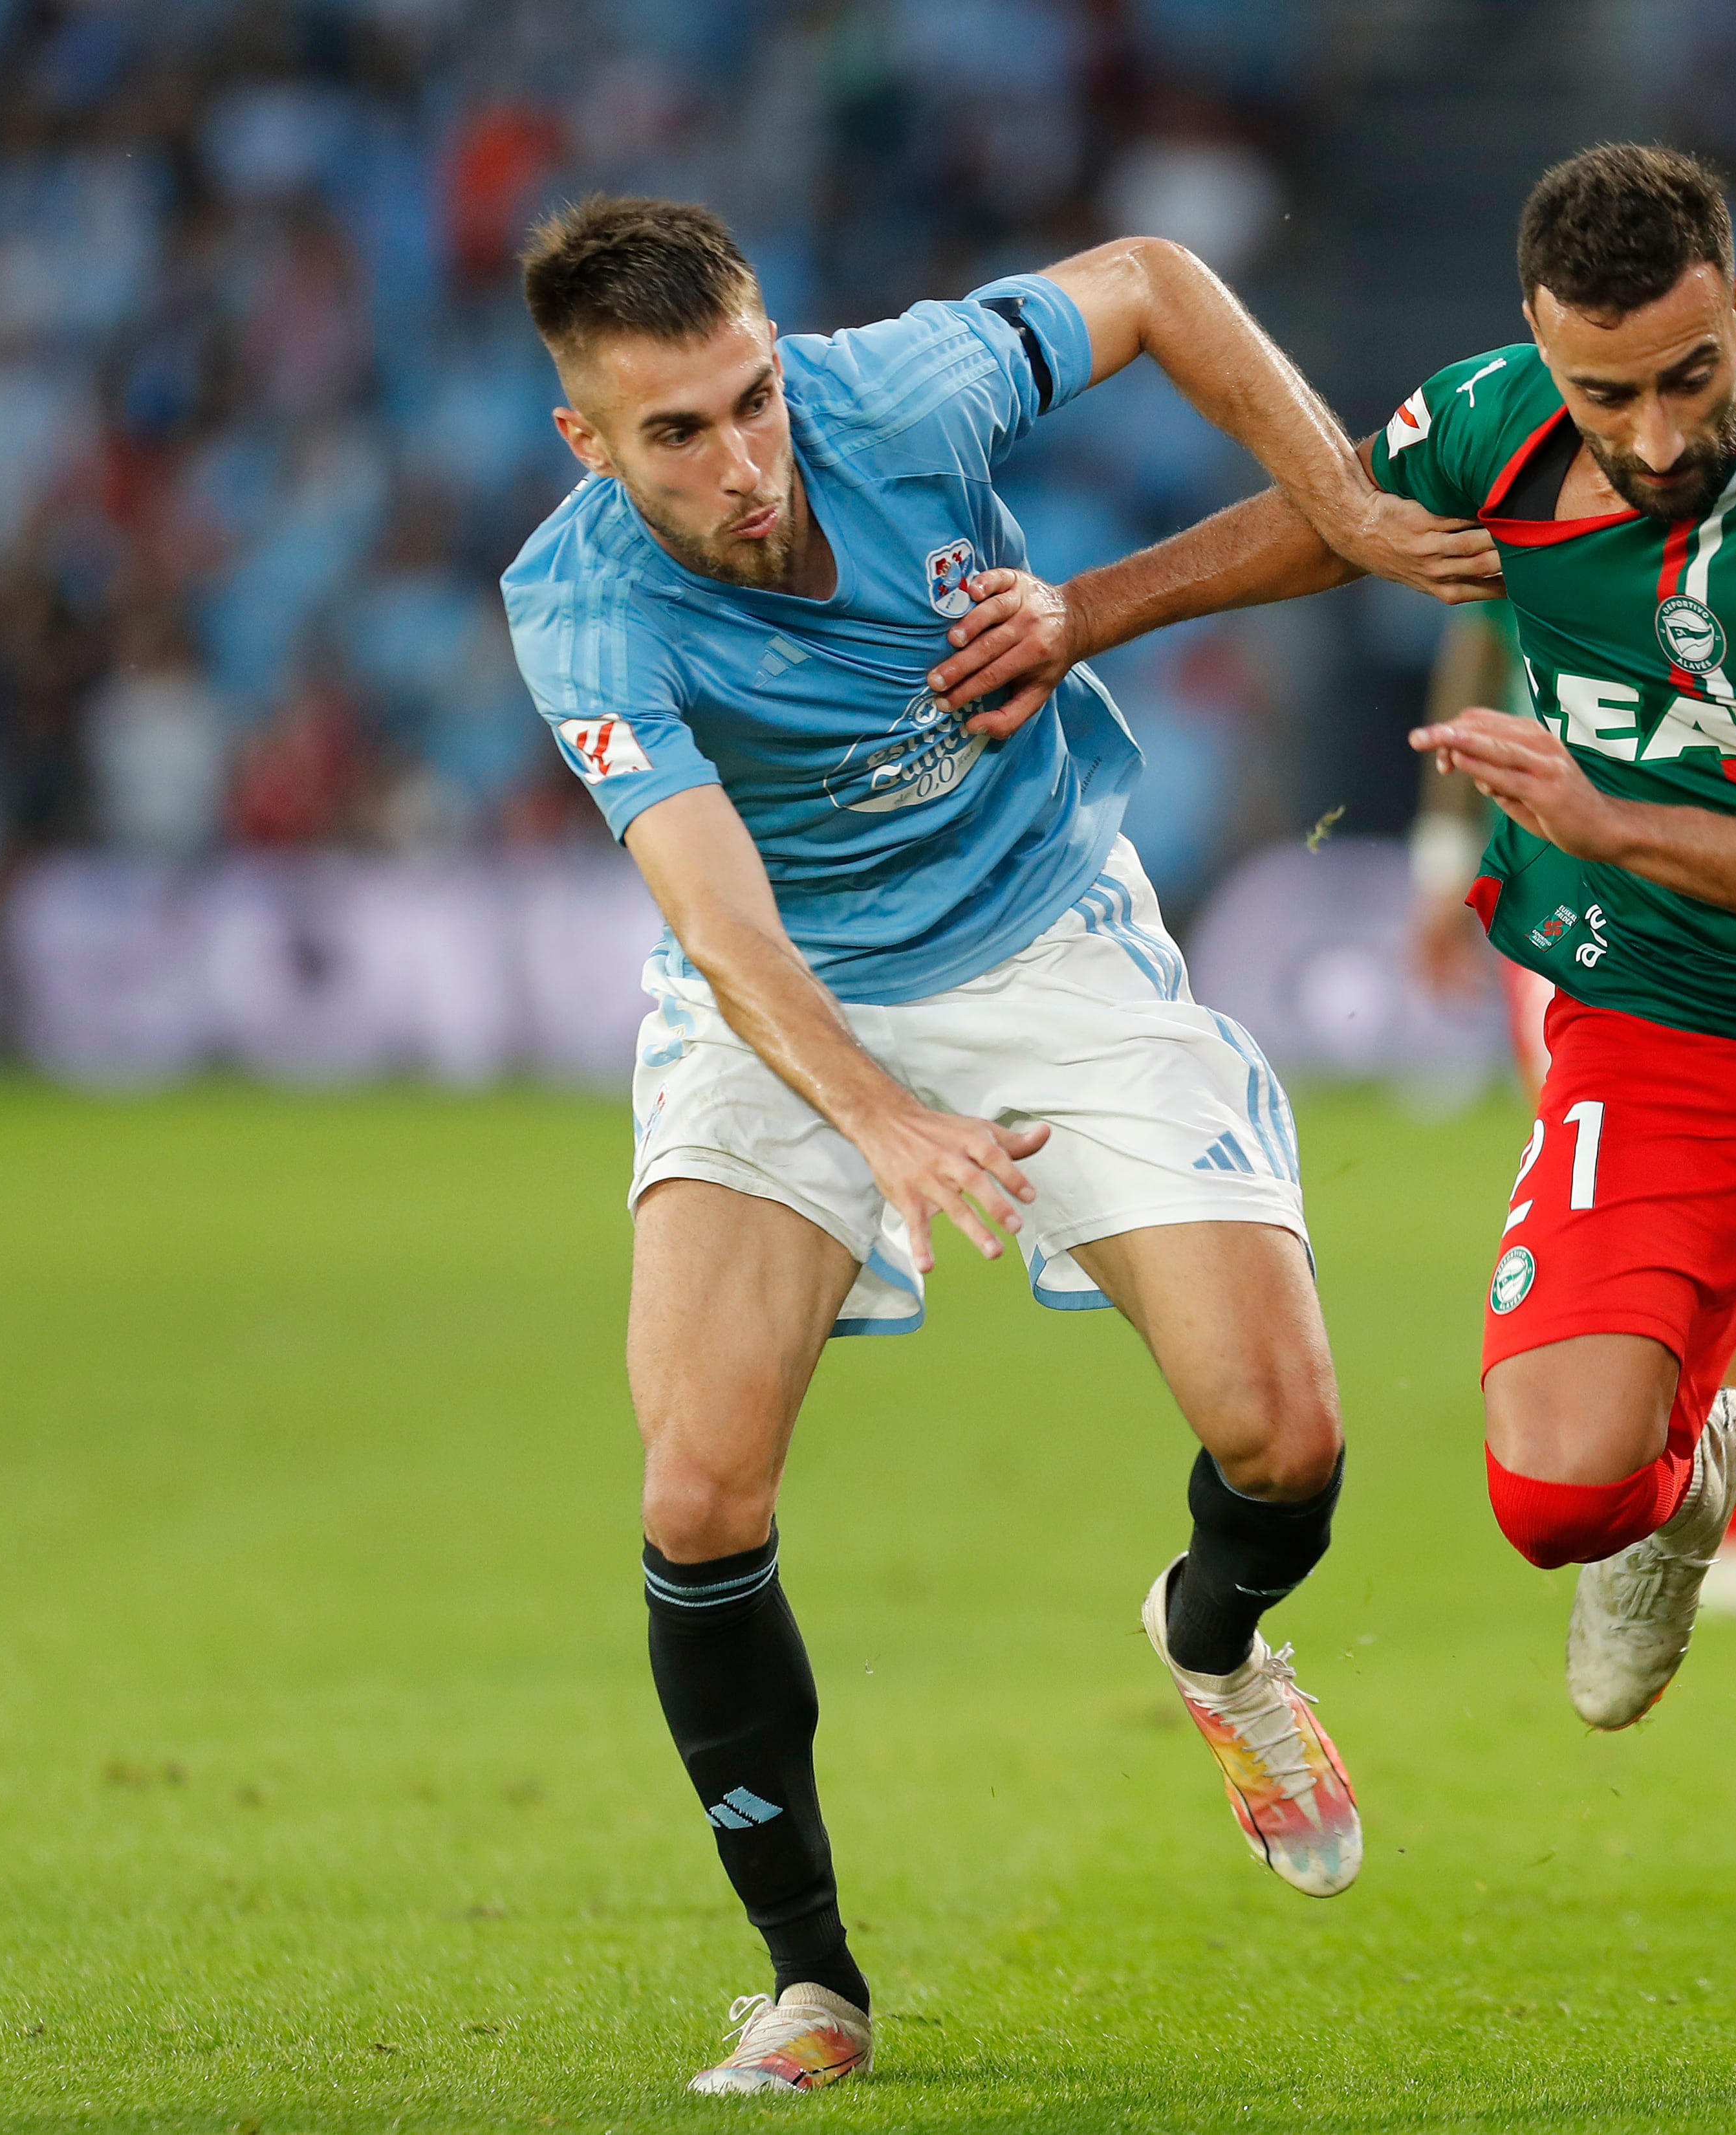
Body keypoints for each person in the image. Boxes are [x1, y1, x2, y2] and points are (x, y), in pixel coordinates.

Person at [940, 142, 1736, 1954]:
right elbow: (1341, 516)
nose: (1645, 428)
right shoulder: (1496, 420)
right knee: (1555, 1497)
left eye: (1685, 377)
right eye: (1599, 387)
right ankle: (1687, 1473)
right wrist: (1084, 612)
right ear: (1541, 350)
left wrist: (1610, 819)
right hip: (1657, 1027)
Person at [497, 196, 1495, 2096]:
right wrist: (876, 1117)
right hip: (778, 1005)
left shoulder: (891, 396)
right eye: (677, 435)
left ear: (783, 356)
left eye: (752, 399)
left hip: (1040, 935)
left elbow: (1150, 282)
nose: (744, 464)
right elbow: (720, 922)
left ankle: (1214, 1643)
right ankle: (810, 1983)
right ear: (589, 445)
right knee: (696, 1490)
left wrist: (1344, 503)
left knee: (1283, 1437)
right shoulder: (582, 606)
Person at [1410, 604, 1736, 1634]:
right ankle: (1644, 1503)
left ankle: (1719, 1529)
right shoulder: (1540, 489)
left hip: (1722, 883)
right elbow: (1475, 655)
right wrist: (1441, 865)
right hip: (1585, 910)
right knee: (1656, 1204)